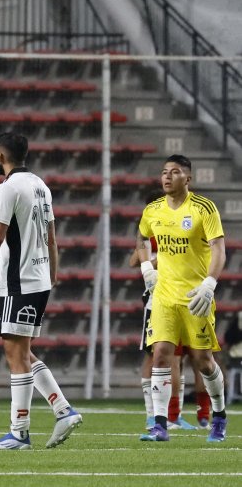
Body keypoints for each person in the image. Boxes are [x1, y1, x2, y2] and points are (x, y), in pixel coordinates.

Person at [0, 133, 83, 450]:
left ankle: (19, 433)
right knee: (24, 352)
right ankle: (62, 409)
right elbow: (52, 238)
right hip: (39, 279)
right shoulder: (41, 186)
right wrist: (52, 274)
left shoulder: (8, 188)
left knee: (15, 354)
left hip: (20, 281)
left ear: (0, 156)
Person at [137, 154, 227, 443]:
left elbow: (218, 248)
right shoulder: (153, 210)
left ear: (187, 179)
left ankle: (219, 416)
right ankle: (161, 425)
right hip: (163, 296)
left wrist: (209, 284)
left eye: (174, 172)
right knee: (161, 354)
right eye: (164, 172)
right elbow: (140, 238)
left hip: (195, 297)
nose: (167, 177)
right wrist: (145, 269)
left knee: (203, 360)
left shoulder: (203, 208)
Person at [131, 219, 204, 431]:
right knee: (155, 357)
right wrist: (155, 262)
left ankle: (174, 415)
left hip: (179, 300)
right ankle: (153, 415)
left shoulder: (178, 234)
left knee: (178, 360)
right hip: (156, 302)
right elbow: (133, 260)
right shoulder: (151, 236)